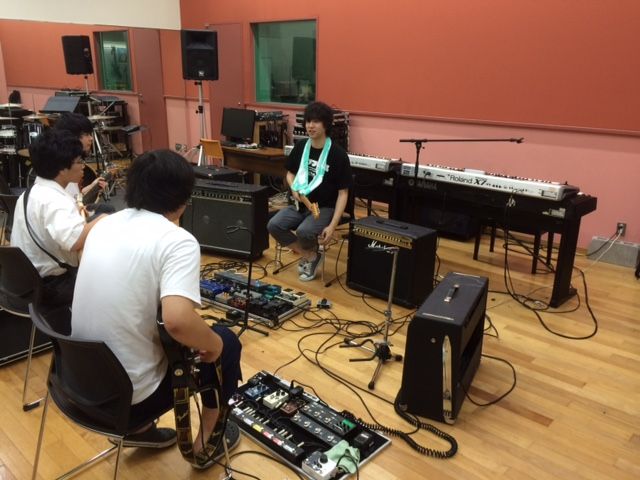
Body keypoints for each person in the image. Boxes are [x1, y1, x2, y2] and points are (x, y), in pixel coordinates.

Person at [71, 149, 242, 469]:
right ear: (183, 198)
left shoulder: (103, 224)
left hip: (75, 382)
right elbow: (177, 321)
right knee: (226, 343)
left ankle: (140, 432)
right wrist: (214, 345)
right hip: (128, 401)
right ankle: (206, 443)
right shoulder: (178, 241)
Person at [11, 129, 108, 311]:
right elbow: (75, 240)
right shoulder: (53, 200)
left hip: (24, 283)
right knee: (115, 279)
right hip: (50, 287)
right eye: (79, 162)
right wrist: (103, 219)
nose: (83, 166)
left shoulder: (29, 193)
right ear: (62, 169)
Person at [267, 101, 352, 281]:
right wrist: (293, 188)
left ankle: (311, 256)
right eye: (308, 121)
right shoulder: (301, 147)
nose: (310, 126)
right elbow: (290, 174)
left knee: (304, 231)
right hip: (300, 205)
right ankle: (310, 256)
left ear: (326, 125)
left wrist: (332, 225)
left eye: (315, 122)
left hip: (324, 208)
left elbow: (343, 193)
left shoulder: (338, 155)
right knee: (274, 225)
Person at [53, 112, 113, 215]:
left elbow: (75, 197)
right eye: (86, 134)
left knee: (107, 209)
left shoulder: (67, 163)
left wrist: (92, 187)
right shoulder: (63, 168)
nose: (91, 138)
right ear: (72, 137)